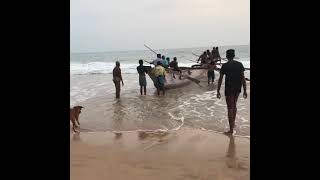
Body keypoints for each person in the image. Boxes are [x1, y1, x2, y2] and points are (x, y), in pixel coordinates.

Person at [217, 49, 247, 134]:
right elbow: (243, 78)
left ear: (226, 56)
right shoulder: (239, 64)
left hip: (229, 89)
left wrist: (218, 90)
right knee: (234, 105)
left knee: (230, 108)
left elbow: (220, 79)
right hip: (237, 88)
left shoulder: (225, 66)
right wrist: (245, 90)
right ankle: (233, 124)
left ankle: (231, 129)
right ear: (233, 56)